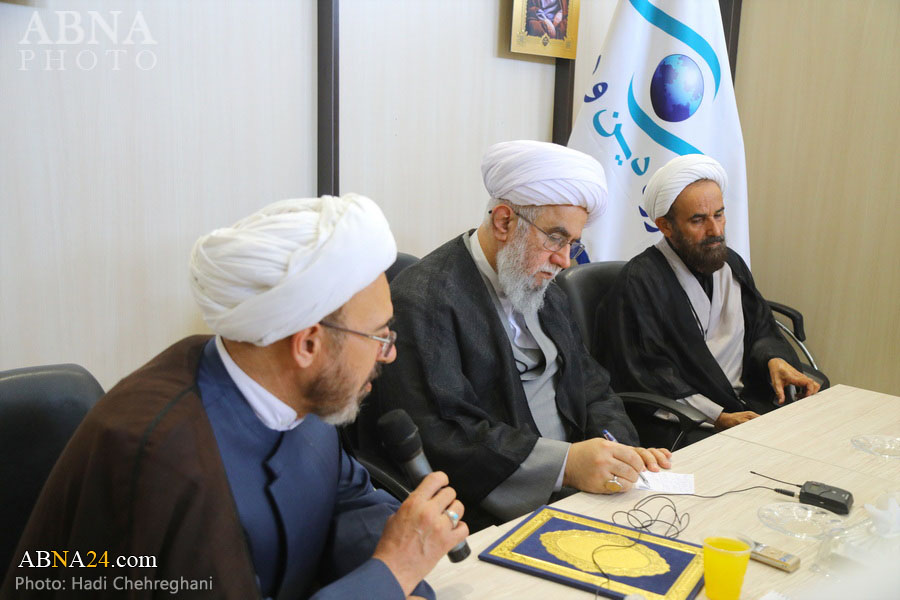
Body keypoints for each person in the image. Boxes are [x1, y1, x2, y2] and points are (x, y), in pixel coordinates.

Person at [1, 195, 468, 600]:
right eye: (379, 335)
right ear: (308, 344)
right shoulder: (170, 464)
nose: (389, 354)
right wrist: (391, 573)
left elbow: (347, 500)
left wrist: (403, 567)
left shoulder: (288, 383)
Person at [360, 141, 671, 532]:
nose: (564, 260)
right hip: (496, 507)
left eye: (572, 244)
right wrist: (566, 465)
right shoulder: (424, 300)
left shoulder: (543, 287)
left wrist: (620, 451)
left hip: (585, 486)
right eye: (555, 238)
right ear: (504, 222)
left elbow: (592, 387)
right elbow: (443, 436)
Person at [595, 155, 822, 448]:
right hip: (682, 418)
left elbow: (761, 329)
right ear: (665, 226)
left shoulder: (732, 265)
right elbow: (646, 375)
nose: (715, 230)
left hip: (743, 401)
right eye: (698, 220)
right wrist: (717, 417)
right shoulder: (639, 283)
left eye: (719, 215)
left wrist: (774, 359)